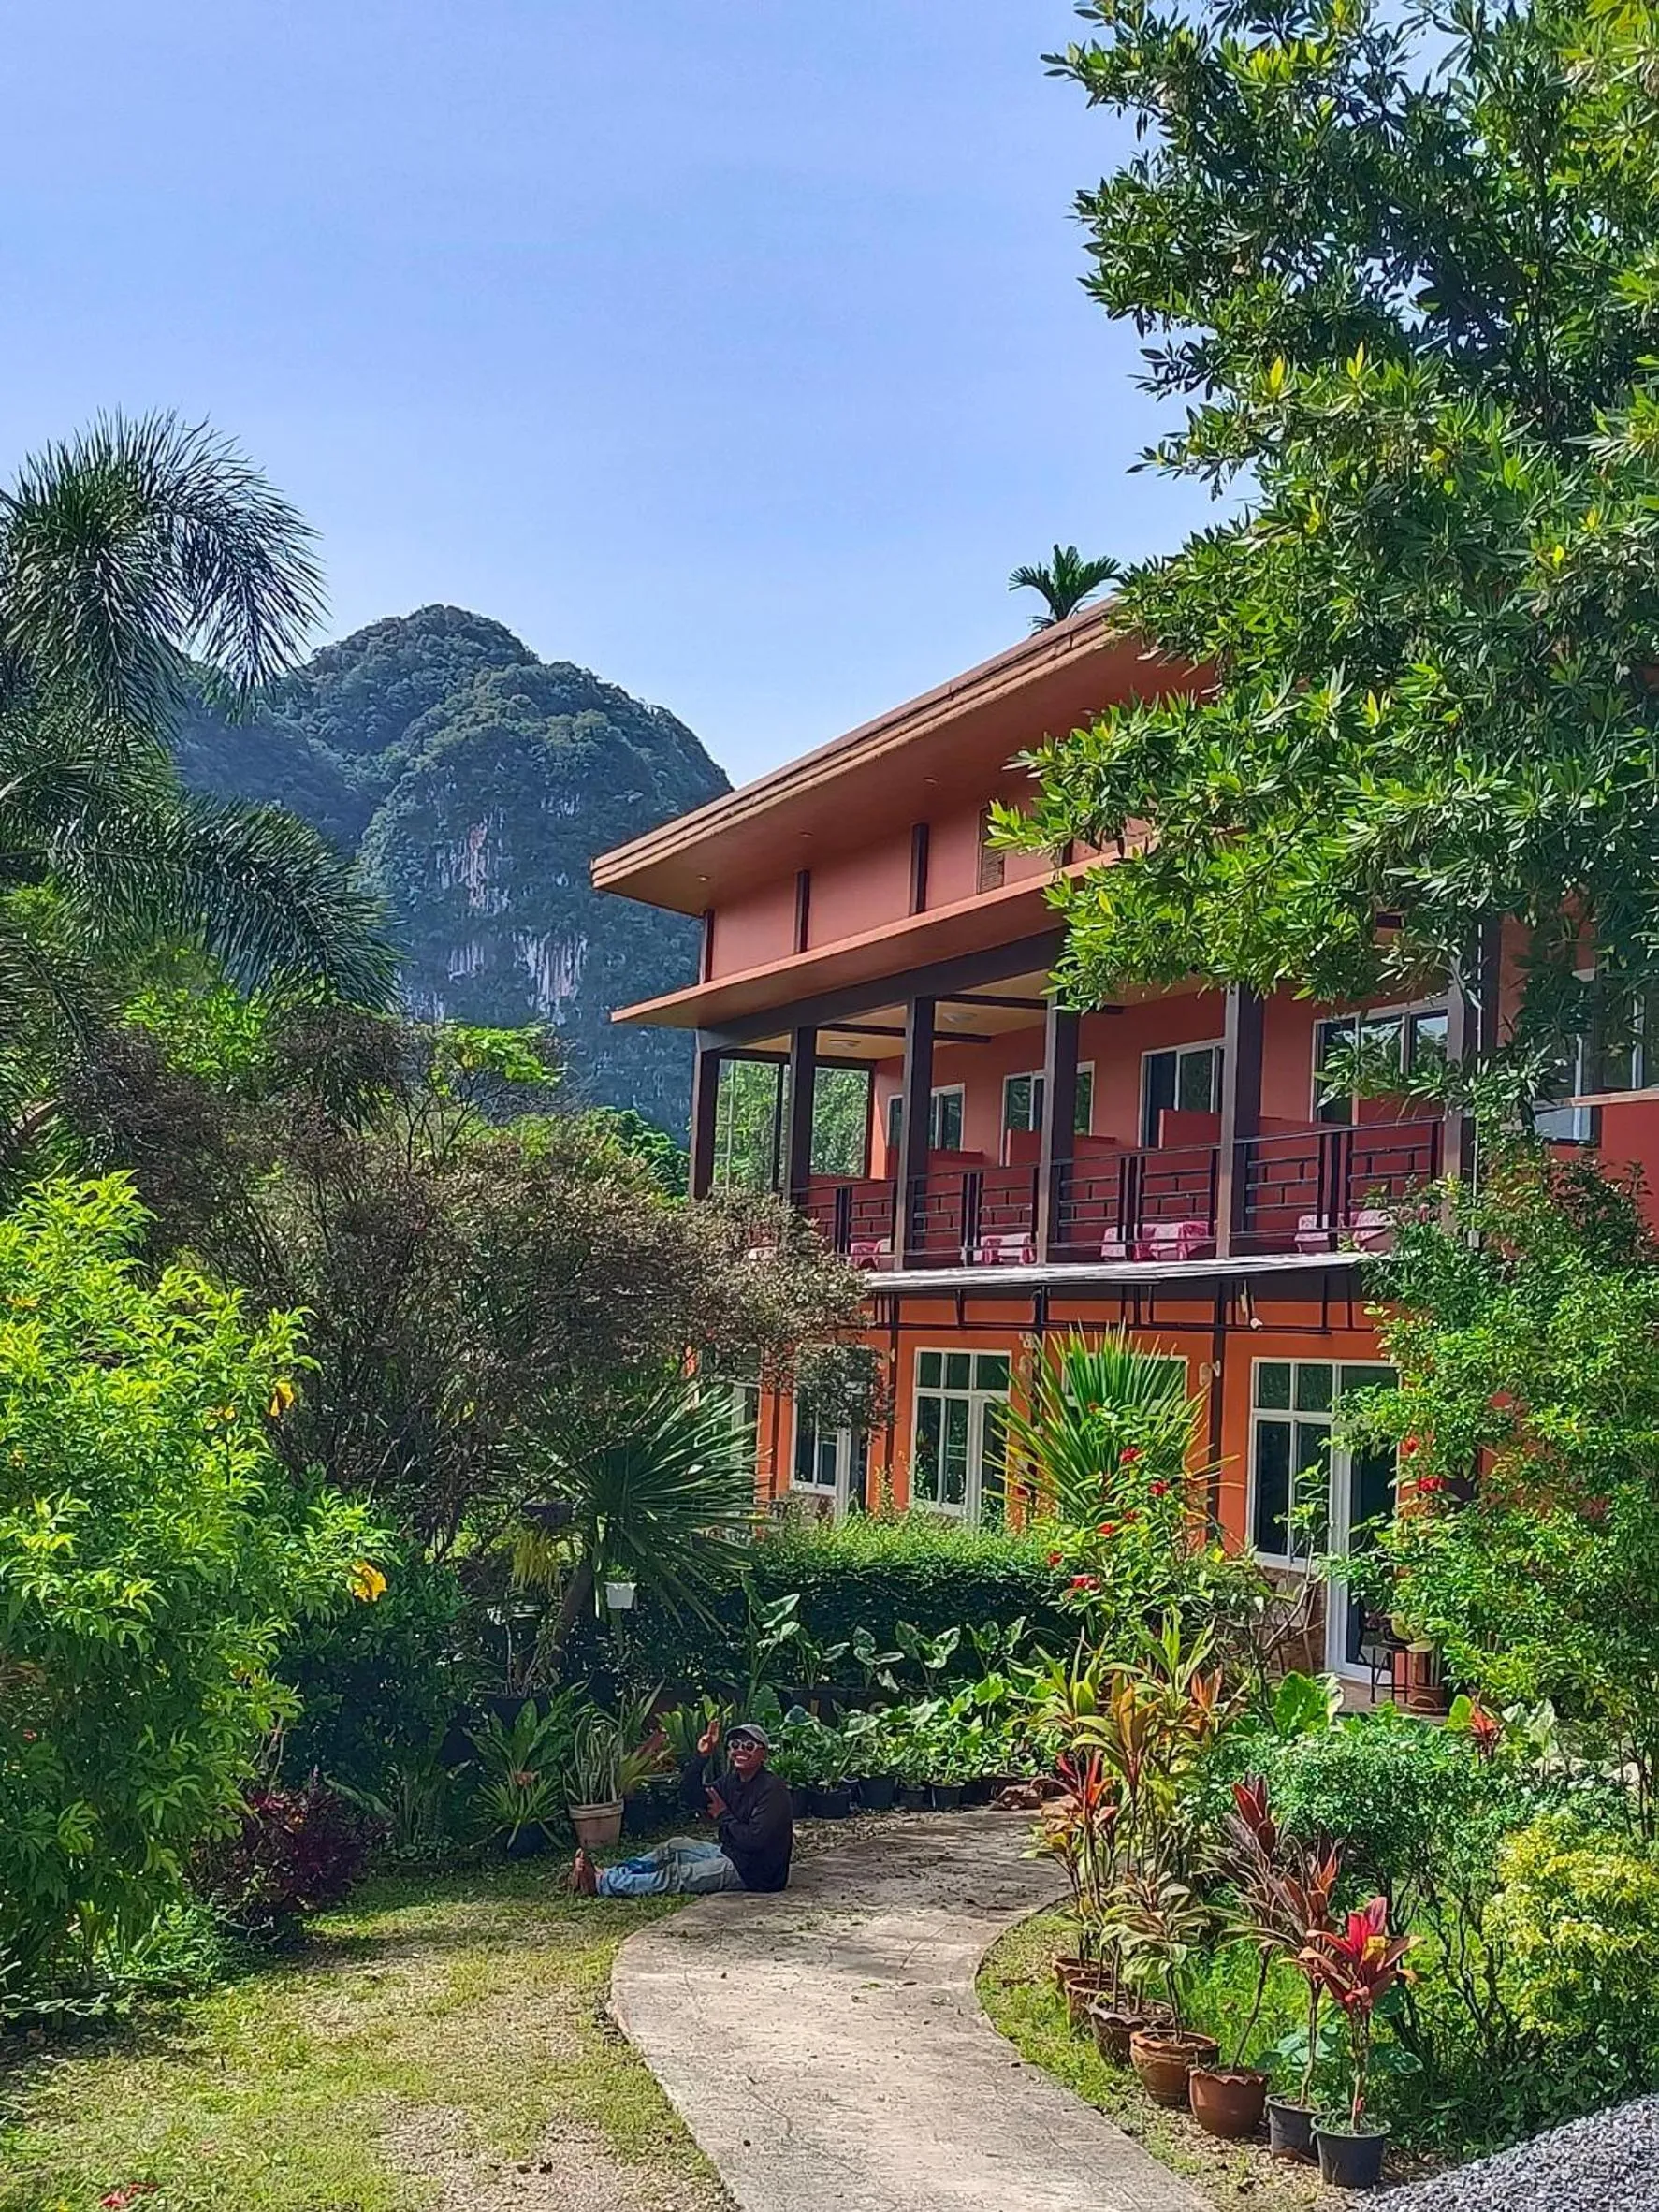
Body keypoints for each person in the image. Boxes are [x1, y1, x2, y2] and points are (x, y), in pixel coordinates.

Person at [570, 1717, 793, 1898]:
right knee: (675, 1846)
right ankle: (610, 1872)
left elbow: (754, 1840)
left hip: (755, 1872)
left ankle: (602, 1883)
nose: (740, 1750)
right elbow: (691, 1795)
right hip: (731, 1853)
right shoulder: (732, 1780)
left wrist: (722, 1814)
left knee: (679, 1875)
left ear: (763, 1754)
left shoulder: (772, 1789)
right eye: (735, 1745)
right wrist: (701, 1757)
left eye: (749, 1746)